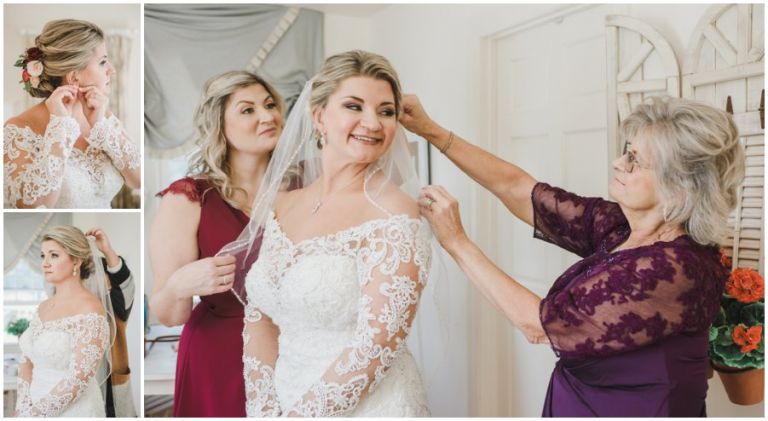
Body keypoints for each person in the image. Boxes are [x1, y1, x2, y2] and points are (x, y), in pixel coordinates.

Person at [401, 94, 745, 416]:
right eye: (627, 150)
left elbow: (537, 324)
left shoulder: (674, 270)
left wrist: (456, 241)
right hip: (581, 400)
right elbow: (519, 189)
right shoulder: (621, 226)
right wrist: (429, 129)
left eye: (635, 161)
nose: (618, 163)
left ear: (680, 187)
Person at [232, 50, 432, 417]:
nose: (372, 123)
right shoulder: (283, 205)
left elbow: (376, 346)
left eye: (386, 111)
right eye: (354, 106)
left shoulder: (394, 213)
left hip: (369, 405)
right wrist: (263, 405)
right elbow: (260, 314)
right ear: (319, 115)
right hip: (283, 396)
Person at [149, 70, 283, 417]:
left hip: (294, 351)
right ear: (219, 125)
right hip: (220, 357)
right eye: (248, 109)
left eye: (270, 105)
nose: (267, 116)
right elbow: (168, 314)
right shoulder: (189, 197)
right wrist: (180, 284)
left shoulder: (303, 189)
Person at [4, 19, 140, 209]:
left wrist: (101, 126)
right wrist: (60, 127)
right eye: (102, 62)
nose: (112, 70)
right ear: (74, 76)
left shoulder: (104, 117)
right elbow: (33, 206)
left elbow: (138, 180)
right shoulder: (19, 129)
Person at [15, 226, 115, 417]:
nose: (45, 263)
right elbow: (27, 359)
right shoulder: (43, 306)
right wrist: (22, 406)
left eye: (54, 255)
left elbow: (78, 379)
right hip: (31, 406)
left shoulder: (90, 310)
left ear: (76, 261)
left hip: (74, 411)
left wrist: (35, 415)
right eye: (43, 256)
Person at [85, 228, 137, 417]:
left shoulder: (116, 311)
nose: (97, 284)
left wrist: (107, 251)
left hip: (112, 394)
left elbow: (126, 285)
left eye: (103, 280)